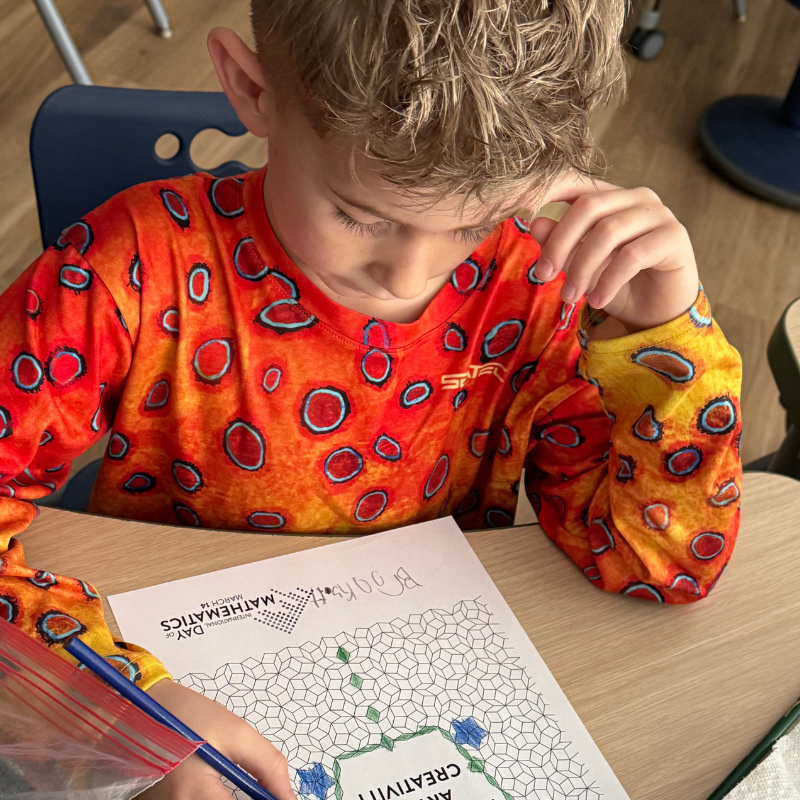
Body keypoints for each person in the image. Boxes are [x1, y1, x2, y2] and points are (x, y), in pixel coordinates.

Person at [0, 0, 741, 796]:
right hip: (178, 679)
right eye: (359, 214)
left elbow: (656, 566)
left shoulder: (537, 285)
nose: (411, 274)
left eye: (475, 224)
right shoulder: (129, 269)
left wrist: (670, 344)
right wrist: (125, 711)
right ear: (252, 90)